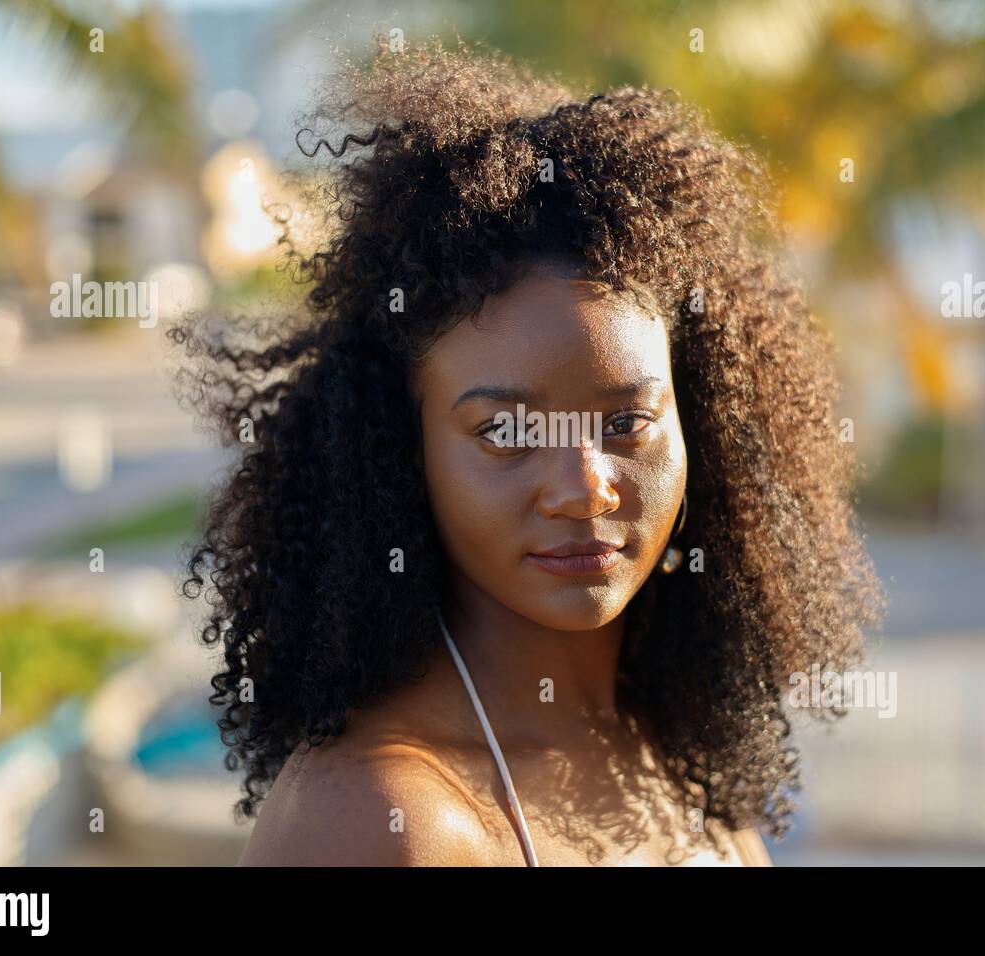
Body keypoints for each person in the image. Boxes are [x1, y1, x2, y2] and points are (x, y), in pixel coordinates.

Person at [170, 39, 883, 866]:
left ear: (702, 430)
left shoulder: (672, 753)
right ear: (403, 453)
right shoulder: (384, 818)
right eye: (507, 432)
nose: (584, 489)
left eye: (628, 424)